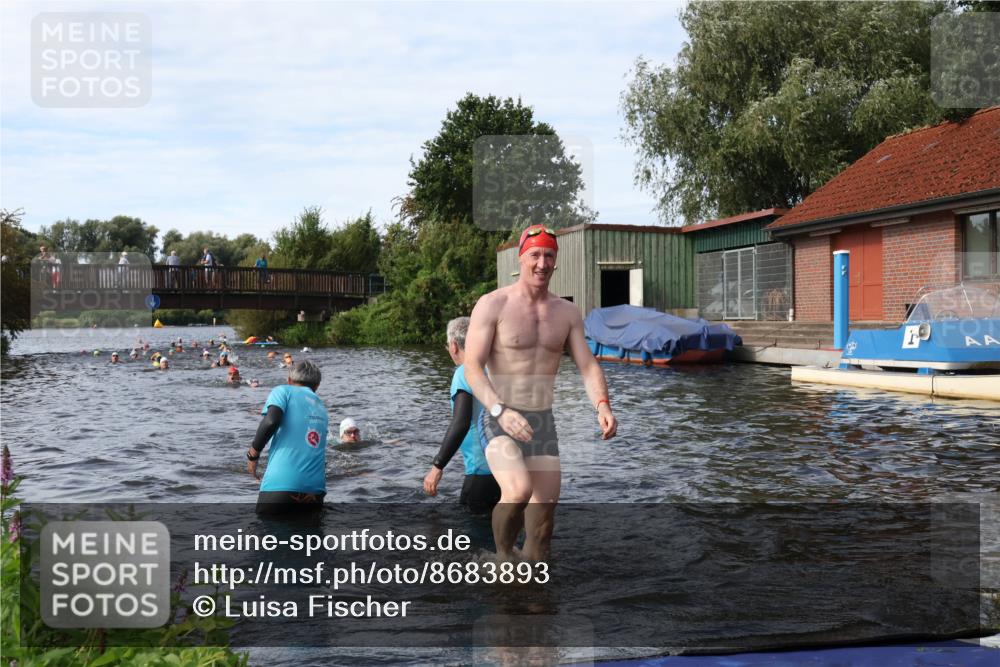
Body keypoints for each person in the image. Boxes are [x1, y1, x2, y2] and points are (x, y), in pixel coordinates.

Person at [464, 224, 617, 562]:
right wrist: (501, 410)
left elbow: (588, 365)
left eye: (549, 256)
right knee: (517, 490)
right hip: (499, 417)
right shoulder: (493, 304)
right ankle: (503, 559)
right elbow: (472, 368)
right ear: (521, 258)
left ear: (555, 261)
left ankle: (533, 589)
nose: (542, 263)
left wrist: (602, 405)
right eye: (535, 255)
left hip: (542, 422)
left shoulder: (566, 312)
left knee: (543, 527)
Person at [423, 316, 501, 514]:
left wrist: (437, 466)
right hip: (512, 470)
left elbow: (461, 422)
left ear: (454, 346)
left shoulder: (464, 372)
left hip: (482, 472)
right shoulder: (497, 369)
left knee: (473, 538)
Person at [246, 361, 329, 513]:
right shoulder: (321, 407)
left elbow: (271, 421)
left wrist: (253, 454)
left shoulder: (283, 391)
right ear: (317, 386)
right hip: (315, 491)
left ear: (289, 380)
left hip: (281, 486)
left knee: (267, 533)